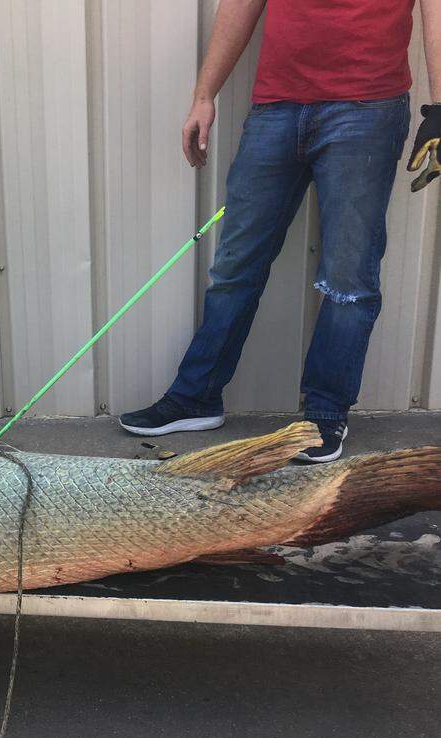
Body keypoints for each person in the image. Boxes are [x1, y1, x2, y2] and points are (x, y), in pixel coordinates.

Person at [120, 0, 441, 463]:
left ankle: (323, 416)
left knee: (348, 280)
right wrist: (204, 94)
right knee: (235, 265)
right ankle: (197, 397)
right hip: (276, 108)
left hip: (367, 110)